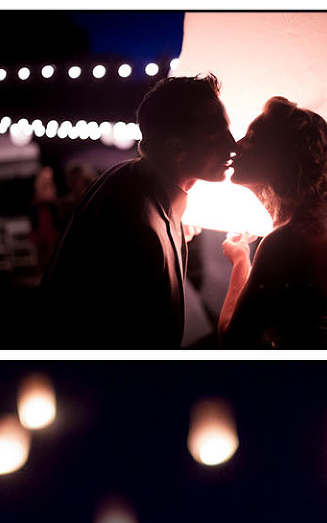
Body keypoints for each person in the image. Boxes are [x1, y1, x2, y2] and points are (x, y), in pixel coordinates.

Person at [40, 75, 235, 349]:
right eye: (216, 134)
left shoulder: (132, 185)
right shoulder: (138, 222)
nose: (233, 145)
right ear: (175, 148)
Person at [219, 97, 327, 349]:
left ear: (276, 159)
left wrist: (240, 261)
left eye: (250, 139)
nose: (237, 146)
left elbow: (232, 341)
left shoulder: (284, 241)